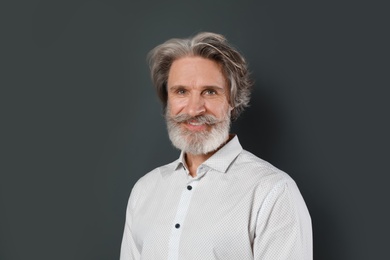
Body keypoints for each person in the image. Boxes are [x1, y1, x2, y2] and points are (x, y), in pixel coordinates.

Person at [120, 32, 312, 260]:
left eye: (210, 92)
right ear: (168, 99)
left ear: (232, 100)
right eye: (181, 91)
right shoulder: (144, 191)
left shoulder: (272, 192)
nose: (193, 109)